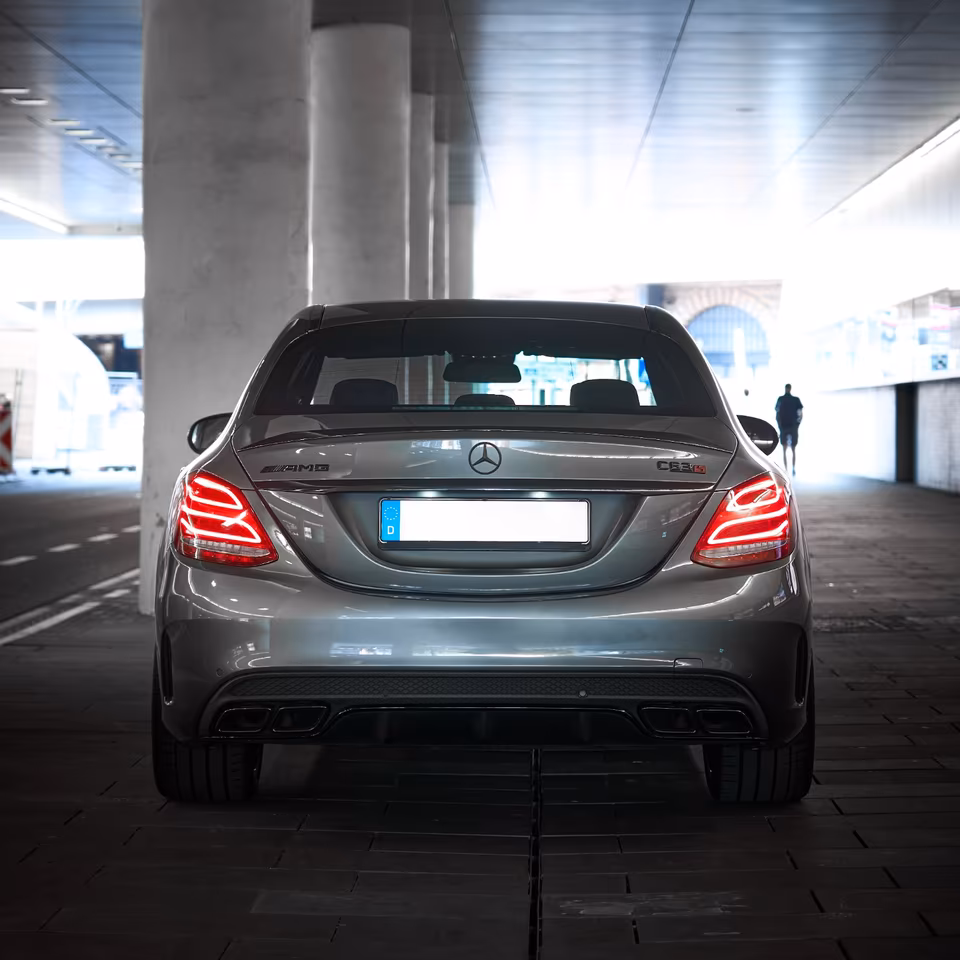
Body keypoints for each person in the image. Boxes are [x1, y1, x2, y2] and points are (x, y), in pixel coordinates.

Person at [775, 383, 803, 476]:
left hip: (784, 426)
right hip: (792, 426)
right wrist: (798, 424)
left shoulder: (781, 399)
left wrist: (779, 425)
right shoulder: (795, 400)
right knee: (793, 448)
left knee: (785, 448)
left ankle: (787, 469)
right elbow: (800, 413)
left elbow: (777, 413)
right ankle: (792, 468)